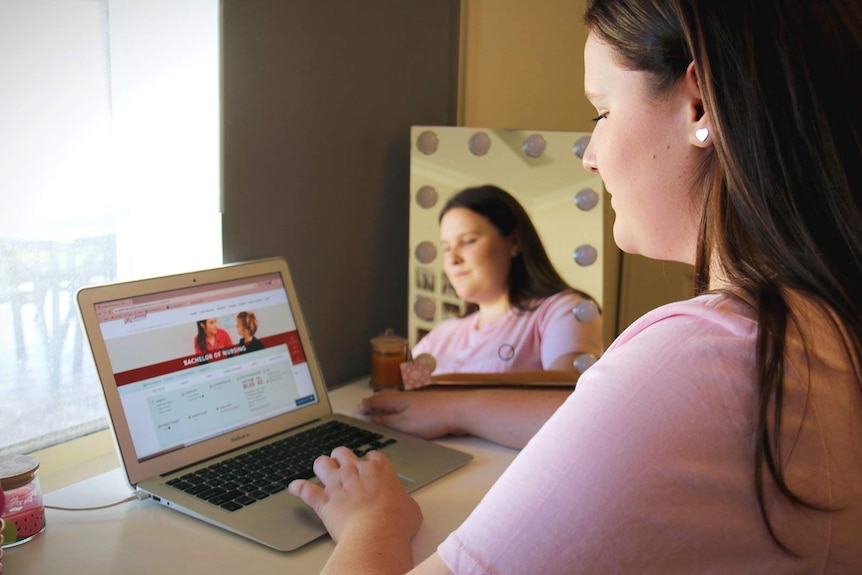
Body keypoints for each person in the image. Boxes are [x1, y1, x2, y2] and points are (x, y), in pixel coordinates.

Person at [288, 0, 862, 573]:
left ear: (698, 104)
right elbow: (607, 421)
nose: (590, 156)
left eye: (602, 113)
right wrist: (457, 405)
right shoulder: (817, 325)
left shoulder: (704, 356)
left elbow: (636, 406)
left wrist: (371, 521)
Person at [360, 184, 604, 448]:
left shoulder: (563, 310)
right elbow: (404, 389)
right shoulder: (444, 334)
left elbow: (572, 410)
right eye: (446, 247)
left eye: (468, 241)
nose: (452, 258)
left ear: (514, 242)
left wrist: (447, 409)